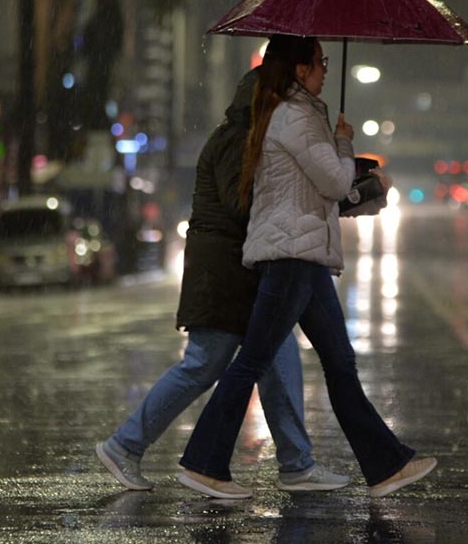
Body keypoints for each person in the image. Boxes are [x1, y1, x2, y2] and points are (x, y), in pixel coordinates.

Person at [177, 35, 437, 499]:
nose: (324, 69)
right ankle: (203, 463)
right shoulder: (296, 116)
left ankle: (385, 465)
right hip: (291, 254)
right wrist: (341, 141)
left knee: (340, 362)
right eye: (320, 61)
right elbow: (335, 182)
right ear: (300, 69)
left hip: (306, 253)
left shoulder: (292, 112)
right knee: (253, 360)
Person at [95, 68, 350, 492]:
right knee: (206, 362)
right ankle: (125, 445)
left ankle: (296, 461)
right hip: (223, 272)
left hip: (242, 269)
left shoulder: (246, 136)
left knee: (274, 355)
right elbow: (240, 202)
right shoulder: (239, 140)